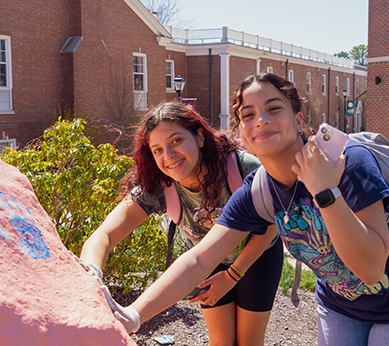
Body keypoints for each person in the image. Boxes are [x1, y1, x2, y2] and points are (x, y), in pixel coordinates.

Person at [105, 74, 389, 346]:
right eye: (248, 115)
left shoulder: (346, 161)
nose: (261, 120)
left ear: (298, 120)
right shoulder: (258, 190)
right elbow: (199, 259)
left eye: (273, 108)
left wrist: (324, 191)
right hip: (340, 305)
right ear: (242, 135)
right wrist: (134, 315)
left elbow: (370, 268)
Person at [80, 101, 282, 346]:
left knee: (248, 342)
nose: (169, 156)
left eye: (176, 141)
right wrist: (92, 274)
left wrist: (233, 275)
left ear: (199, 137)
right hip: (207, 263)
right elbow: (104, 236)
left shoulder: (243, 166)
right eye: (157, 150)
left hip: (256, 256)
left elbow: (272, 222)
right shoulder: (158, 187)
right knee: (221, 341)